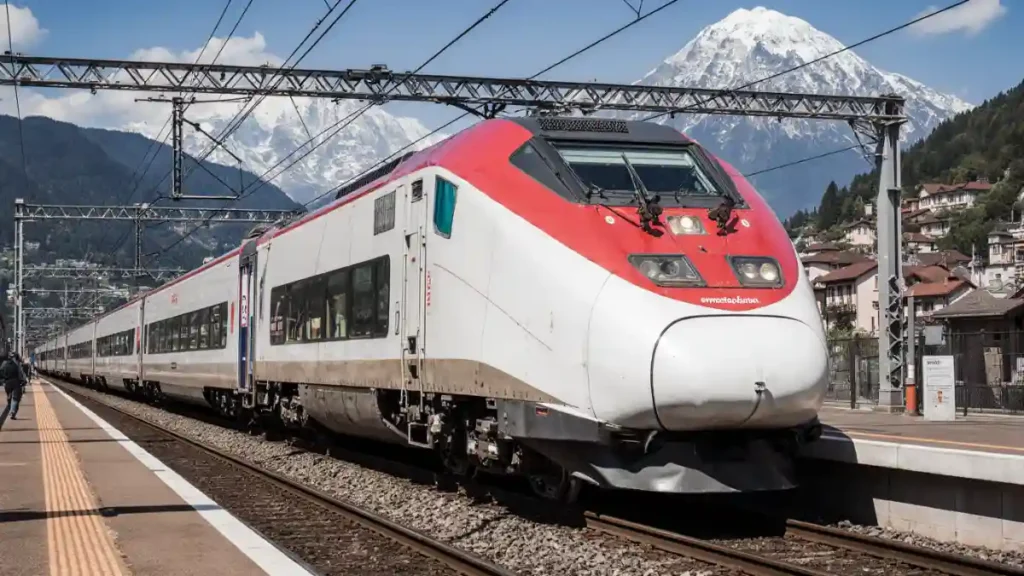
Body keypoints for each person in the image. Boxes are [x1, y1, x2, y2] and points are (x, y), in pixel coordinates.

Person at [0, 350, 28, 430]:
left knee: (9, 396)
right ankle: (13, 411)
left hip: (7, 383)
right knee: (16, 398)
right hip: (16, 383)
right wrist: (23, 381)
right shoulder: (17, 365)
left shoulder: (4, 364)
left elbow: (1, 372)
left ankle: (9, 402)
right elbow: (21, 374)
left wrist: (3, 380)